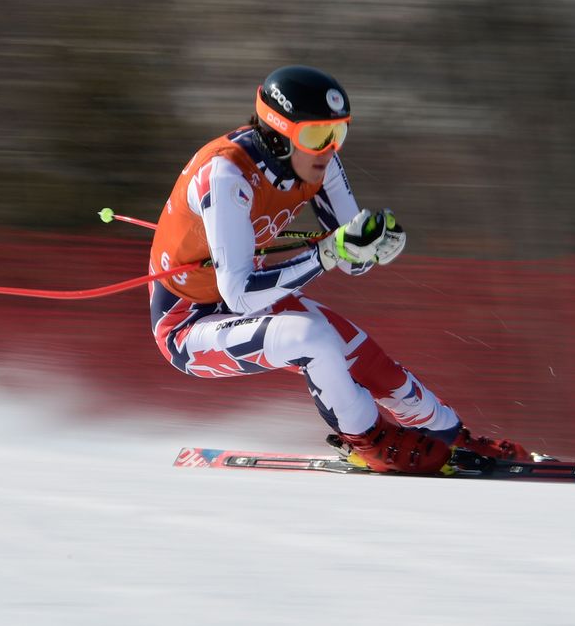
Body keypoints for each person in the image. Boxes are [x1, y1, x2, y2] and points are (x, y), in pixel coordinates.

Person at [148, 65, 528, 473]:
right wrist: (328, 253)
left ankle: (448, 435)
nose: (329, 149)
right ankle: (368, 440)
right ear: (277, 134)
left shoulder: (320, 164)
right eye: (316, 136)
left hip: (246, 302)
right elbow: (240, 292)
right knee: (311, 338)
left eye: (339, 134)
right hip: (188, 325)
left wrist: (375, 247)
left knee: (358, 349)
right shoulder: (226, 174)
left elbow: (351, 261)